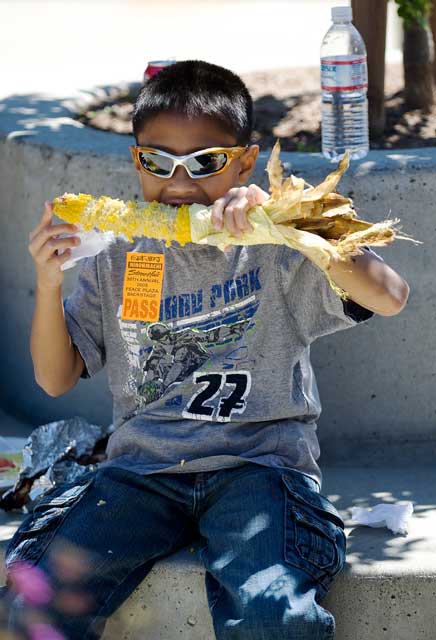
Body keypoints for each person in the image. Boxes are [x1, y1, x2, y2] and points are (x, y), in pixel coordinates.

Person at [4, 60, 409, 639]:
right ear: (134, 160)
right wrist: (47, 282)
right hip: (141, 471)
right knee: (37, 604)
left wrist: (291, 225)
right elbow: (54, 376)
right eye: (157, 161)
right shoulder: (118, 255)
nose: (178, 183)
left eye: (206, 163)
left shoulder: (275, 250)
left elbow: (392, 296)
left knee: (273, 615)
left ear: (245, 161)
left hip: (258, 468)